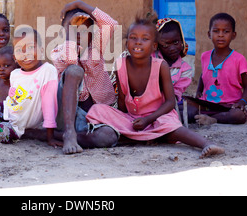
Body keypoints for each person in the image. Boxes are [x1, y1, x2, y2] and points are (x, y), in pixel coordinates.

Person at [86, 13, 225, 159]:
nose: (138, 42)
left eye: (144, 39)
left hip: (159, 115)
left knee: (169, 124)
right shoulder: (120, 65)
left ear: (153, 46)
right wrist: (123, 119)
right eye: (133, 38)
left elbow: (171, 102)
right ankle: (148, 136)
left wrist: (147, 119)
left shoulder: (160, 66)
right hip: (133, 118)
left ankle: (206, 143)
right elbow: (122, 101)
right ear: (127, 43)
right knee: (97, 110)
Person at [50, 0, 119, 154]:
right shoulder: (58, 52)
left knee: (108, 137)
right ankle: (68, 133)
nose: (78, 34)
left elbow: (111, 24)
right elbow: (71, 59)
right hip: (69, 117)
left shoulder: (96, 48)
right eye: (73, 29)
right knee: (74, 70)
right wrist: (70, 35)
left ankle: (57, 136)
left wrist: (79, 4)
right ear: (64, 32)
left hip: (95, 118)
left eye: (83, 29)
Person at [188, 13, 247, 125]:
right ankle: (206, 116)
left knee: (239, 116)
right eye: (216, 31)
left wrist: (242, 102)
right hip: (207, 104)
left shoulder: (239, 59)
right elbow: (204, 75)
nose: (221, 35)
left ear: (233, 35)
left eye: (226, 31)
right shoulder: (205, 56)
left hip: (229, 106)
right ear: (209, 34)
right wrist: (199, 91)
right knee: (183, 104)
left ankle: (213, 119)